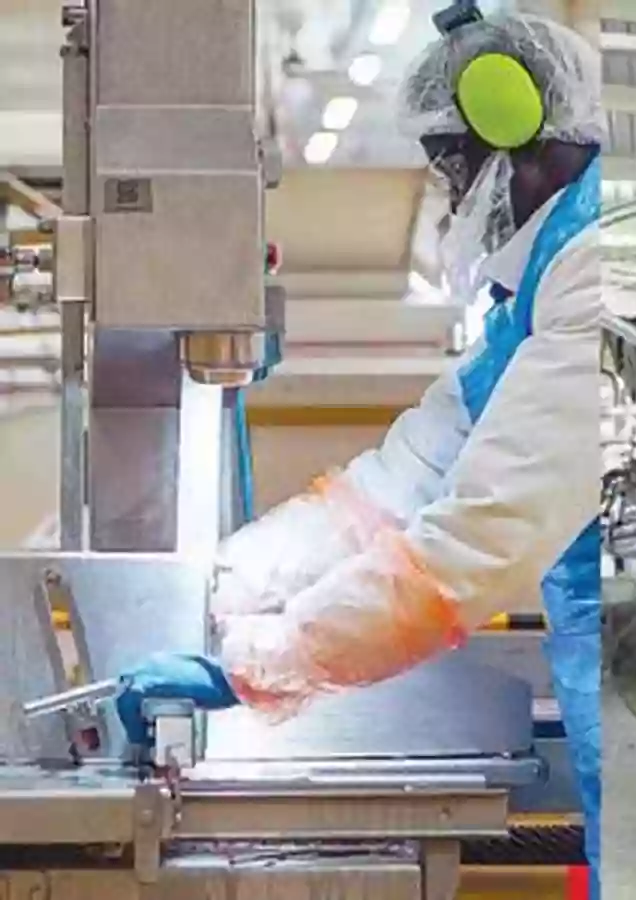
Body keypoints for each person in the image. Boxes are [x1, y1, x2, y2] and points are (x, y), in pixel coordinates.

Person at [115, 7, 606, 896]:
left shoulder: (591, 280)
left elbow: (473, 545)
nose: (453, 194)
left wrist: (255, 665)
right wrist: (241, 576)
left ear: (520, 131)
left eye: (454, 165)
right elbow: (407, 474)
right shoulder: (529, 298)